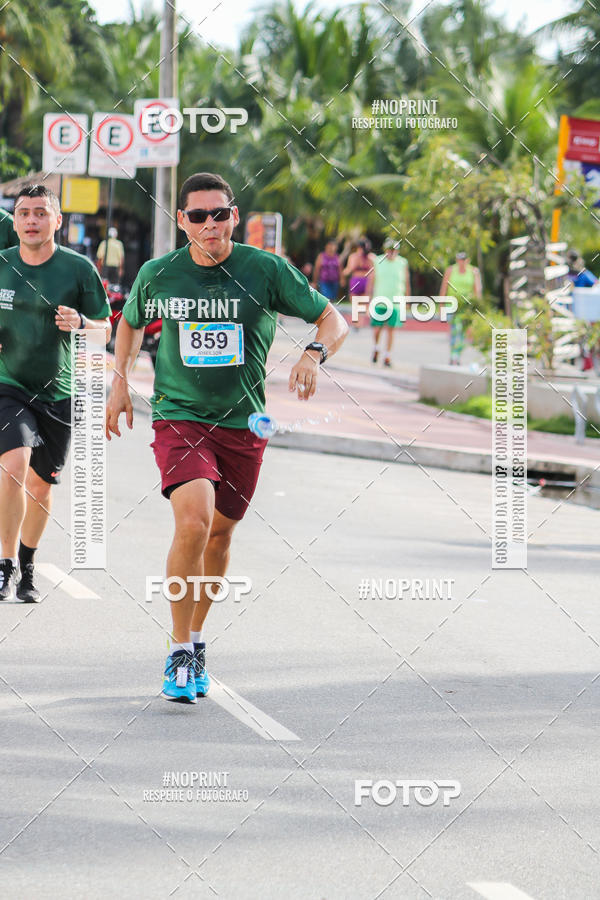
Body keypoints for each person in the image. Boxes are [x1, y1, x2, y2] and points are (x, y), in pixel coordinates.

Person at [106, 171, 348, 704]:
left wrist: (314, 353)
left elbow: (333, 318)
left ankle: (196, 637)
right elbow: (128, 321)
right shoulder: (159, 273)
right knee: (193, 521)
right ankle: (176, 649)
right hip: (179, 416)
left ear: (234, 217)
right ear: (182, 221)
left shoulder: (264, 270)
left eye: (219, 214)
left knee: (220, 535)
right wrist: (119, 383)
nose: (210, 224)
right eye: (198, 216)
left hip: (243, 425)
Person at [0, 185, 111, 602]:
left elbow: (106, 327)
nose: (31, 220)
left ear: (57, 221)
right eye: (24, 213)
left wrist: (82, 321)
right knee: (12, 467)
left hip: (59, 392)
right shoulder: (2, 264)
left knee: (41, 486)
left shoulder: (78, 269)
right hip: (7, 385)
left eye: (40, 213)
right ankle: (5, 564)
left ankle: (28, 565)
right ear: (15, 221)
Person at [370, 238, 410, 367]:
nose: (392, 252)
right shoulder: (378, 261)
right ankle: (376, 348)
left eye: (394, 250)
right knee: (377, 329)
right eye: (390, 250)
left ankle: (387, 356)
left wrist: (407, 299)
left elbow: (406, 281)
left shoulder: (403, 262)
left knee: (391, 330)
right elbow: (372, 279)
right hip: (379, 300)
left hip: (396, 301)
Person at [439, 251, 482, 365]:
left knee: (462, 333)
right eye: (459, 260)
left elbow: (477, 290)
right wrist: (441, 305)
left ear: (467, 260)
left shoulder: (473, 271)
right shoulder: (450, 270)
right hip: (452, 304)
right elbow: (444, 287)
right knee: (454, 329)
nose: (461, 262)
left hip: (466, 307)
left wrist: (477, 307)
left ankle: (457, 355)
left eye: (463, 260)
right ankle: (453, 354)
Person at [343, 238, 376, 310]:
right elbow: (349, 269)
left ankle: (364, 320)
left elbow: (374, 271)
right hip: (355, 281)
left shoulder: (371, 257)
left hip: (366, 282)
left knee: (365, 306)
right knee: (355, 306)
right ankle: (357, 320)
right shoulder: (353, 256)